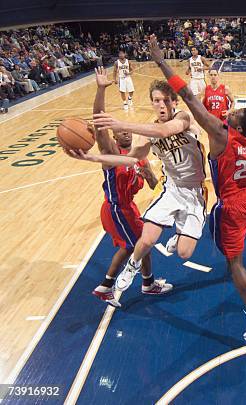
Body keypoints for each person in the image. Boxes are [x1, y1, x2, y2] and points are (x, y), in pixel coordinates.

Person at [148, 34, 246, 340]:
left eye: (234, 114)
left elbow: (187, 95)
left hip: (234, 205)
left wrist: (160, 61)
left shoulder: (221, 134)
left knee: (234, 262)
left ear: (237, 127)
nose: (230, 111)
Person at [74, 79, 209, 297]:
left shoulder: (184, 118)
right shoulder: (146, 132)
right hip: (172, 189)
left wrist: (121, 124)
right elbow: (129, 160)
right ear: (152, 103)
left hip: (194, 192)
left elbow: (165, 131)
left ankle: (178, 234)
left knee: (184, 252)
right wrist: (92, 157)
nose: (161, 105)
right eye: (156, 101)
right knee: (146, 239)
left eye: (166, 100)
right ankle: (132, 266)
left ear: (174, 102)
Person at [73, 68, 160, 306]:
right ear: (113, 135)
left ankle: (146, 282)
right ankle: (108, 286)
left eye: (127, 130)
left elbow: (153, 185)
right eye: (120, 132)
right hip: (115, 208)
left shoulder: (139, 156)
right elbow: (99, 122)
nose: (126, 134)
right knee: (136, 245)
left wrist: (149, 173)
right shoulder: (111, 153)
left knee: (140, 244)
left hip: (128, 208)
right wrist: (101, 89)